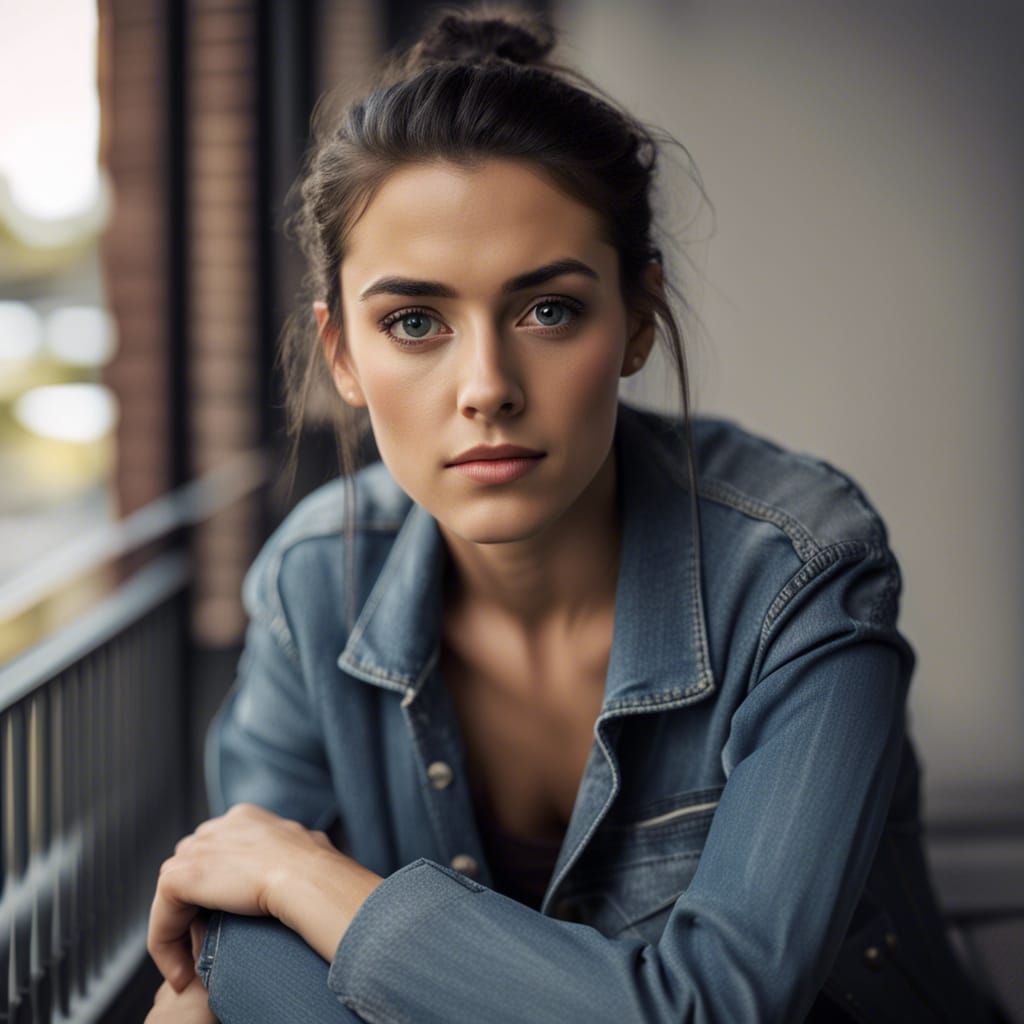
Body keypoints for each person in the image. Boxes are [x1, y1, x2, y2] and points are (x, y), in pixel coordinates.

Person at [144, 4, 995, 1022]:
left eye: (547, 309)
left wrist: (312, 881)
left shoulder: (800, 572)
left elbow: (720, 1007)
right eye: (414, 322)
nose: (487, 386)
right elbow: (245, 952)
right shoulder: (312, 582)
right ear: (342, 356)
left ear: (636, 320)